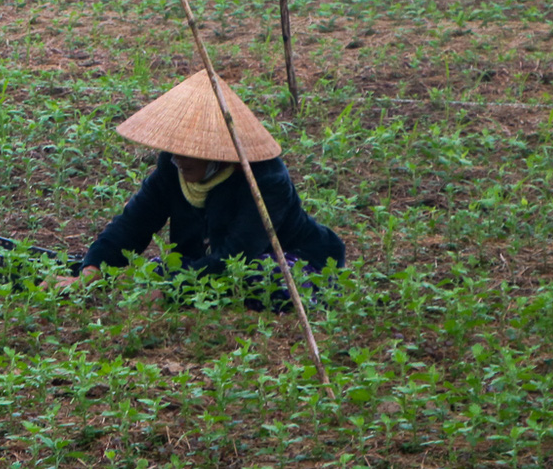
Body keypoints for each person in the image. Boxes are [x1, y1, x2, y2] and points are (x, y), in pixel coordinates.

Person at [54, 70, 344, 306]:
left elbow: (236, 257)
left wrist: (172, 289)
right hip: (205, 262)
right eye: (174, 150)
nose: (178, 158)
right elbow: (134, 222)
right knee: (144, 273)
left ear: (218, 150)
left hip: (281, 259)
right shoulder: (172, 165)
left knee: (260, 281)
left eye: (189, 151)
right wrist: (92, 270)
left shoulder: (265, 180)